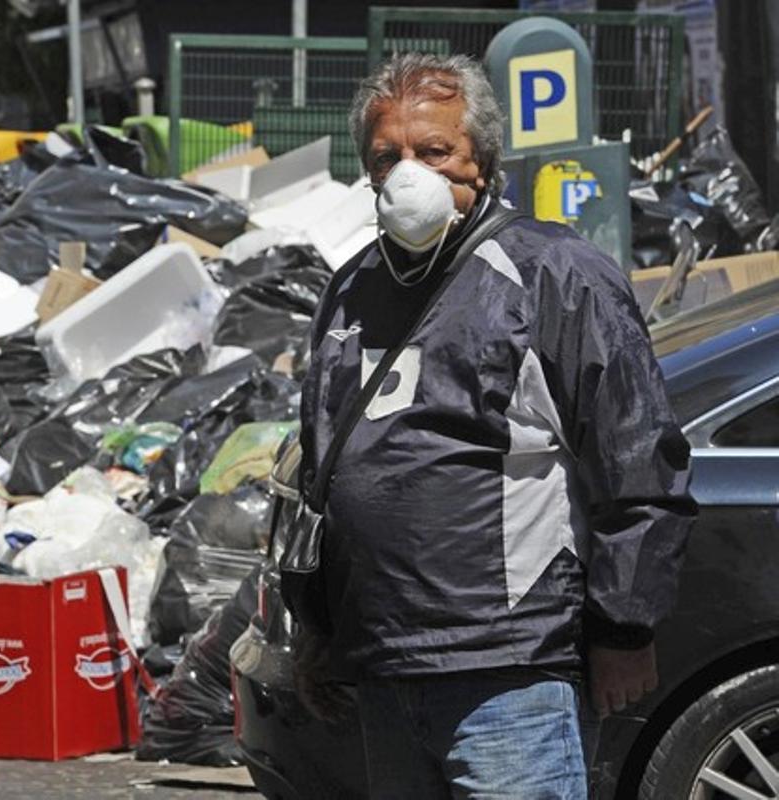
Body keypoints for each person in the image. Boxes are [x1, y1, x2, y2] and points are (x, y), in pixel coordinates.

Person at [297, 52, 696, 798]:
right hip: (386, 670)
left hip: (511, 678)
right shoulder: (350, 291)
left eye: (434, 151)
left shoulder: (554, 274)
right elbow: (322, 471)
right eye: (388, 157)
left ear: (481, 160)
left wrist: (624, 628)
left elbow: (639, 463)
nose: (408, 173)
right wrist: (317, 627)